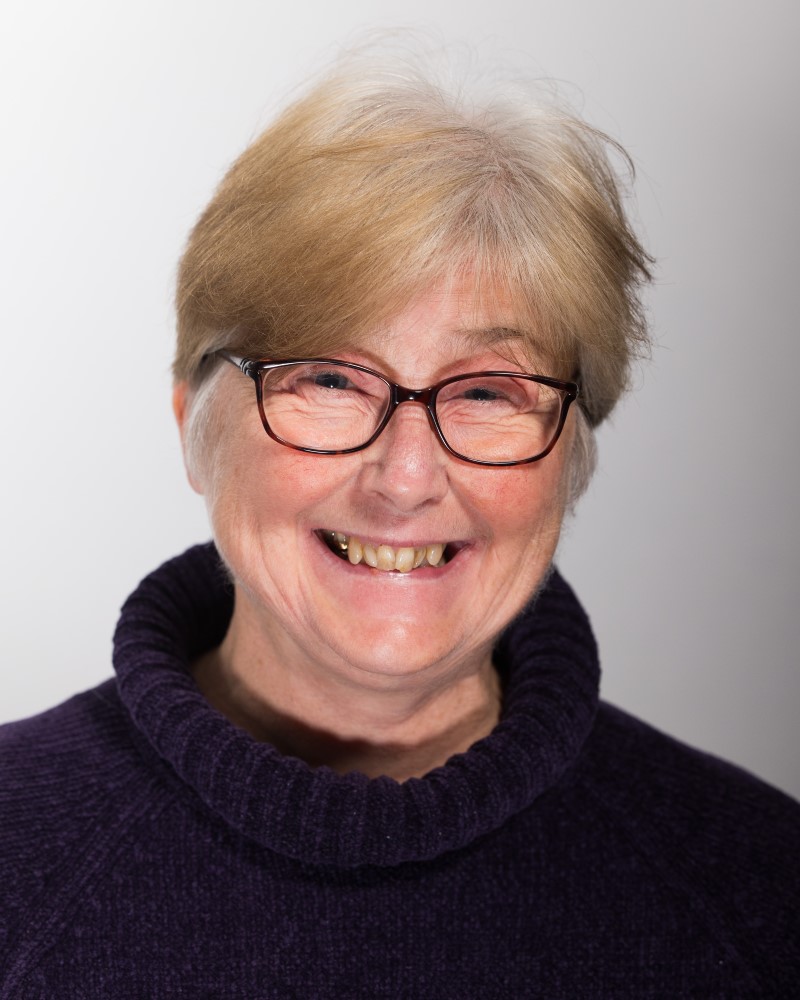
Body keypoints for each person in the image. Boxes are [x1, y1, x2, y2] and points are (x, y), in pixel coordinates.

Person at [1, 52, 798, 998]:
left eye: (489, 392)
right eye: (330, 379)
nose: (407, 479)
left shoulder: (761, 891)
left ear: (571, 459)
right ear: (192, 429)